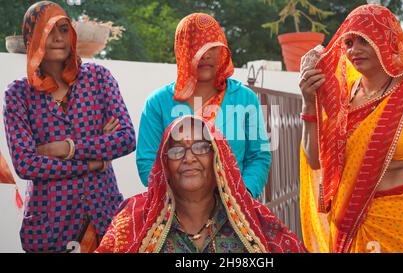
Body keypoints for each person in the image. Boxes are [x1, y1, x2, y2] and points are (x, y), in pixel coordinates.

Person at [299, 4, 403, 253]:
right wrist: (309, 103)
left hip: (402, 224)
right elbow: (315, 160)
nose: (354, 50)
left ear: (387, 40)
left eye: (364, 41)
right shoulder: (344, 95)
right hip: (348, 230)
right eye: (348, 43)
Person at [2, 1, 136, 252]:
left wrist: (66, 147)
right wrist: (94, 160)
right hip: (50, 226)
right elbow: (26, 163)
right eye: (47, 30)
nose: (57, 38)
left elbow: (126, 139)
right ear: (31, 37)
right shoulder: (18, 94)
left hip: (104, 217)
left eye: (63, 29)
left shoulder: (98, 78)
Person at [97, 116, 306, 253]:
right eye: (177, 150)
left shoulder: (254, 219)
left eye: (200, 147)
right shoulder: (134, 217)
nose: (188, 158)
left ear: (218, 158)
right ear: (165, 163)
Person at [136, 13, 271, 198]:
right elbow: (147, 161)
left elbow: (259, 156)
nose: (205, 54)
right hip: (177, 212)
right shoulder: (158, 103)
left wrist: (243, 196)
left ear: (222, 49)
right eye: (196, 46)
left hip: (235, 210)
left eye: (212, 46)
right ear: (182, 49)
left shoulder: (245, 99)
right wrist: (182, 203)